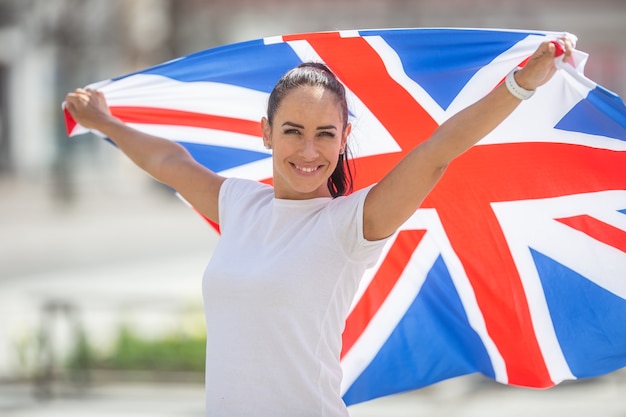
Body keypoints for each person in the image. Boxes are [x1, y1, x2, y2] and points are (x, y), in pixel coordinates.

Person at [64, 37, 572, 417]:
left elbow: (437, 153)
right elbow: (169, 161)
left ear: (344, 137)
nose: (309, 152)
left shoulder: (352, 223)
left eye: (325, 135)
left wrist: (521, 83)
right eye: (293, 132)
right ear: (266, 133)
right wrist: (104, 123)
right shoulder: (239, 204)